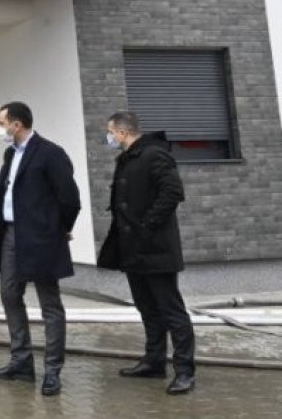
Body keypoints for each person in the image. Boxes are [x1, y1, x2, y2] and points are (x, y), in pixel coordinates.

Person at [0, 102, 81, 397]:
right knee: (9, 293)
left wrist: (58, 229)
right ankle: (21, 361)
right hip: (11, 235)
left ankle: (52, 370)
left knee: (49, 303)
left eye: (2, 122)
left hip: (42, 238)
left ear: (17, 124)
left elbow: (70, 198)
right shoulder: (9, 154)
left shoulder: (51, 153)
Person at [99, 111, 195, 395]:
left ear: (122, 133)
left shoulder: (154, 155)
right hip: (134, 251)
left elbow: (172, 193)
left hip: (155, 248)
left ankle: (185, 371)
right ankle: (154, 362)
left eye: (110, 132)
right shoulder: (128, 158)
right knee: (147, 308)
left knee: (171, 310)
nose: (109, 138)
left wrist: (146, 225)